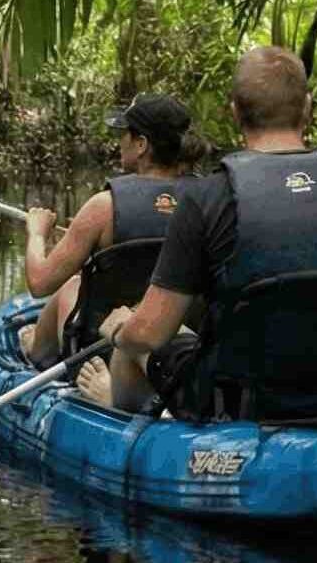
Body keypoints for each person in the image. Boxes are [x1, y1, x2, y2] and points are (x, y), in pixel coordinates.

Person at [82, 46, 317, 420]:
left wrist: (121, 330)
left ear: (234, 111)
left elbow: (150, 334)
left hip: (238, 405)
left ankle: (116, 405)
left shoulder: (208, 200)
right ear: (308, 108)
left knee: (132, 332)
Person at [19, 93, 198, 366]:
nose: (119, 141)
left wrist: (37, 233)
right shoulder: (211, 200)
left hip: (102, 353)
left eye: (124, 134)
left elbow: (40, 283)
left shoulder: (102, 208)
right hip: (183, 347)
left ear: (141, 144)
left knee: (71, 286)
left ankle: (36, 349)